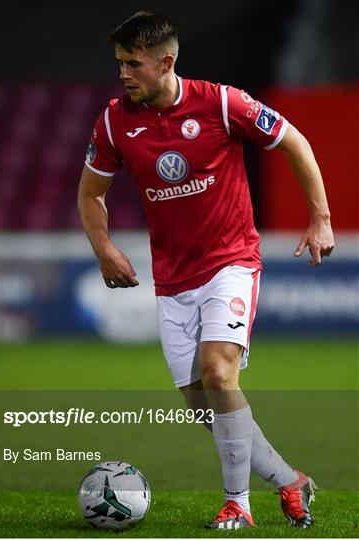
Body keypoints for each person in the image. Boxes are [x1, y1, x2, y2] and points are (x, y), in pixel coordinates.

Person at [77, 11, 334, 530]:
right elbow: (90, 193)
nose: (123, 73)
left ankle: (238, 502)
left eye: (133, 63)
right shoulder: (113, 121)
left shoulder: (222, 102)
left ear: (165, 61)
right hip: (173, 280)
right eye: (119, 63)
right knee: (205, 408)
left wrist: (321, 219)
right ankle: (290, 479)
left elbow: (295, 142)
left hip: (230, 262)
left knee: (219, 374)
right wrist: (103, 246)